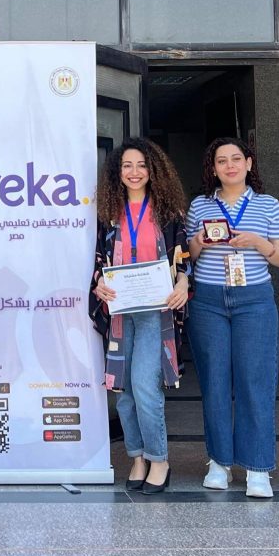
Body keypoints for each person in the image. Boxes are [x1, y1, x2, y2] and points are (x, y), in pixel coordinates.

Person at [186, 137, 279, 498]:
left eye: (236, 159)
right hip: (208, 301)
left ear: (248, 163)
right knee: (214, 381)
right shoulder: (200, 205)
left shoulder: (267, 204)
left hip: (254, 301)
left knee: (255, 381)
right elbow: (187, 257)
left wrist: (257, 243)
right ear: (213, 168)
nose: (229, 166)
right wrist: (199, 241)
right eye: (221, 161)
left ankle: (258, 467)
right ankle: (219, 462)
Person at [90, 138, 189, 494]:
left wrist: (183, 282)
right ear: (117, 172)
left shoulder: (167, 212)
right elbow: (98, 259)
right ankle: (137, 458)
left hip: (156, 311)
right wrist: (99, 283)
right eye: (127, 166)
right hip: (120, 310)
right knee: (124, 390)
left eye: (142, 165)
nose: (135, 172)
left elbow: (182, 257)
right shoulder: (108, 213)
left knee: (146, 386)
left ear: (153, 170)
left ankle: (159, 459)